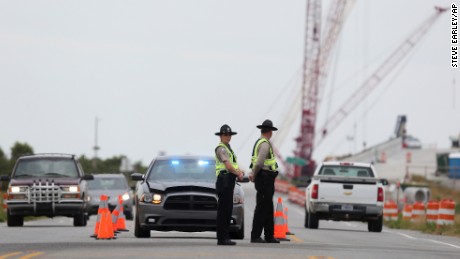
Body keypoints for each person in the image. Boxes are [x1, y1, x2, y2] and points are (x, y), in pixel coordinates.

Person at [249, 119, 280, 243]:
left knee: (267, 207)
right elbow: (260, 162)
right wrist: (254, 174)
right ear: (270, 132)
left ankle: (269, 235)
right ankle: (255, 235)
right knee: (262, 208)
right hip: (264, 178)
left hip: (265, 178)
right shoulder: (265, 144)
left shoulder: (259, 142)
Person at [214, 124, 244, 246]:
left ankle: (224, 237)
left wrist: (239, 172)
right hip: (224, 181)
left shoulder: (228, 148)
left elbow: (233, 165)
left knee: (227, 210)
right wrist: (238, 173)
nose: (228, 136)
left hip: (229, 181)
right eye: (225, 134)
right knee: (224, 211)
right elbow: (228, 165)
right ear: (221, 136)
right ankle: (222, 238)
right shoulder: (221, 149)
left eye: (229, 134)